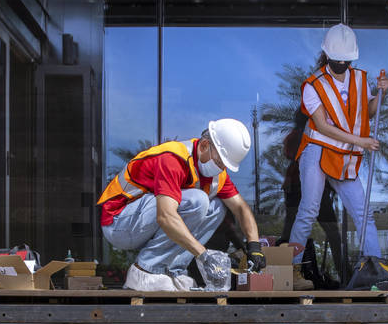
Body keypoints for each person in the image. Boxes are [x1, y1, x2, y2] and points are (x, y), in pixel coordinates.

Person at [99, 119, 265, 291]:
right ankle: (145, 271)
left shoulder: (218, 176)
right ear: (204, 145)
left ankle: (173, 271)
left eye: (225, 165)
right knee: (198, 201)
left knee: (216, 208)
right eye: (220, 161)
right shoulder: (172, 158)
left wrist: (254, 245)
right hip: (119, 223)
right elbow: (166, 216)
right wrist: (203, 255)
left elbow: (240, 208)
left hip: (144, 223)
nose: (221, 168)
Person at [289, 24, 388, 274]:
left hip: (344, 154)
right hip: (318, 150)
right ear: (327, 55)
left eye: (347, 60)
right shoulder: (314, 85)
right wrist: (361, 142)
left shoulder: (360, 79)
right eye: (338, 59)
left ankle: (375, 270)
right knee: (309, 209)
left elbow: (370, 112)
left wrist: (381, 93)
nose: (342, 63)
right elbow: (321, 127)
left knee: (363, 213)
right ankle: (290, 272)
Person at [279, 106, 343, 288]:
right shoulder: (297, 136)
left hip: (316, 188)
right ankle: (287, 273)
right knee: (292, 231)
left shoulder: (306, 135)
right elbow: (295, 156)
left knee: (332, 234)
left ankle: (343, 271)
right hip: (297, 188)